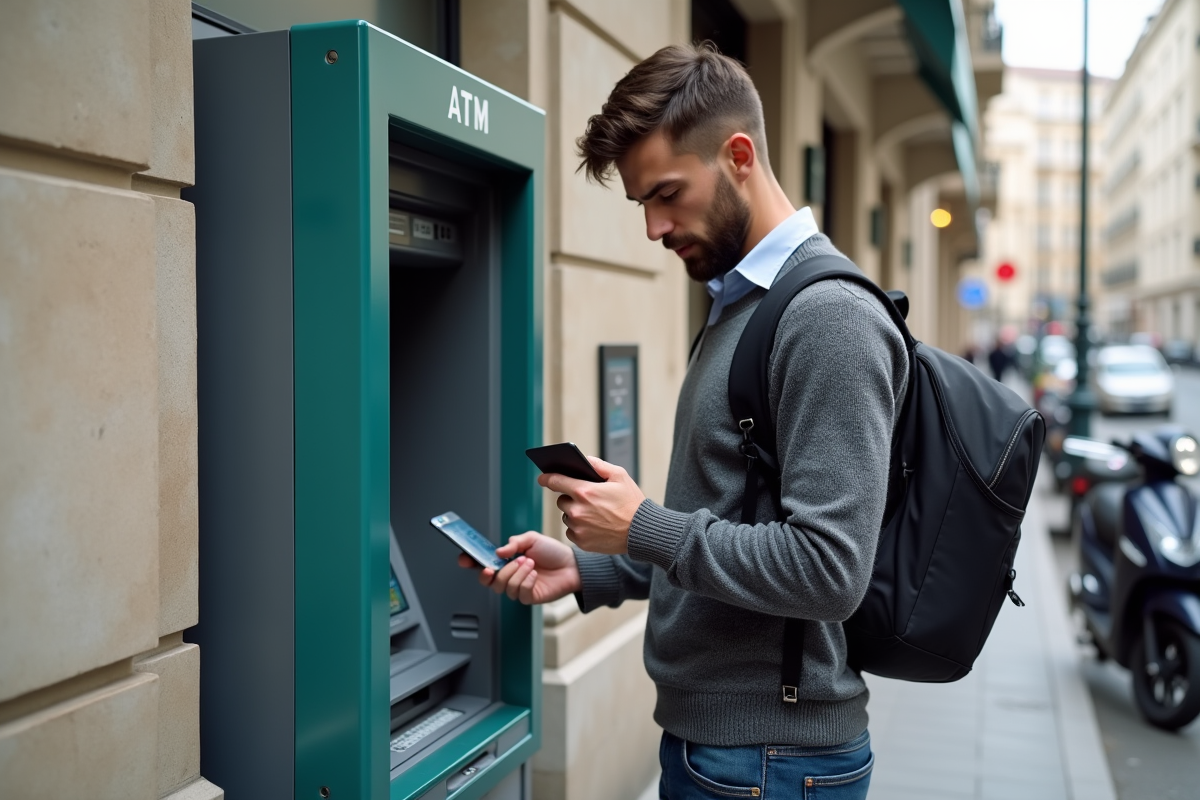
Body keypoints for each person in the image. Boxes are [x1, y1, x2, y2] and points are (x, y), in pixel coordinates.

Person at [458, 43, 908, 799]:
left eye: (666, 193)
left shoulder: (827, 317)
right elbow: (729, 518)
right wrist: (593, 567)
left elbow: (829, 570)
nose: (653, 227)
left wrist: (643, 526)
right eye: (641, 202)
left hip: (771, 760)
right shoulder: (739, 304)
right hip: (730, 753)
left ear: (738, 155)